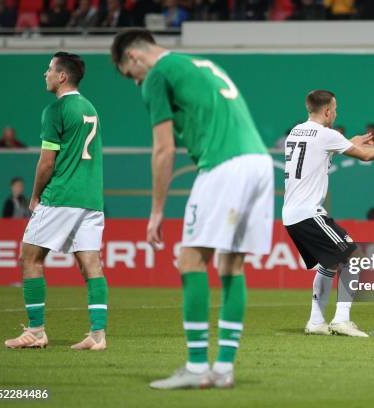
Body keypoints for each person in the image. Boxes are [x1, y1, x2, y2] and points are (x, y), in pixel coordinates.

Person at [111, 29, 274, 390]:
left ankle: (198, 366)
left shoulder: (156, 75)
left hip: (222, 165)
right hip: (259, 164)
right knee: (231, 264)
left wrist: (156, 211)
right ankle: (223, 369)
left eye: (129, 74)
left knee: (190, 260)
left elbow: (164, 150)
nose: (134, 82)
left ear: (134, 58)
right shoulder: (202, 64)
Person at [4, 52, 108, 351]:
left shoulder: (55, 110)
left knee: (30, 258)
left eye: (49, 69)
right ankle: (98, 336)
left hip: (62, 195)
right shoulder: (90, 107)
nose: (45, 73)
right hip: (91, 198)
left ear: (62, 76)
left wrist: (35, 195)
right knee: (91, 265)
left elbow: (47, 162)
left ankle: (36, 332)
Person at [283, 90, 374, 338]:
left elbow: (318, 153)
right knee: (355, 257)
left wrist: (348, 143)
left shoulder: (296, 132)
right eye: (335, 108)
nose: (336, 113)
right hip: (308, 213)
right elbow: (368, 155)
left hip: (291, 214)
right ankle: (341, 320)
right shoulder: (326, 135)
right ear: (327, 111)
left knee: (329, 262)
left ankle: (316, 321)